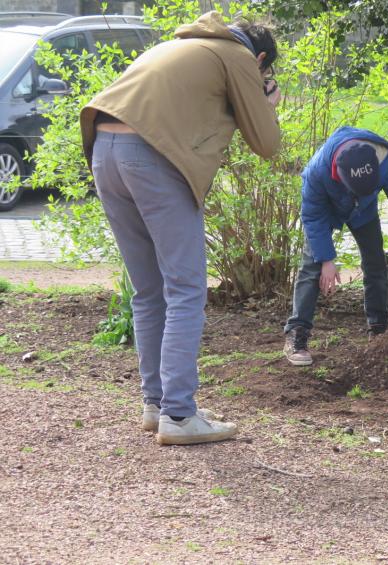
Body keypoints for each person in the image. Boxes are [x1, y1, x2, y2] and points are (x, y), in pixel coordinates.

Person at [80, 13, 282, 445]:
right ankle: (179, 414)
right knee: (187, 288)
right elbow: (266, 144)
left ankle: (157, 405)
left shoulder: (182, 45)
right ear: (260, 57)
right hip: (151, 158)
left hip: (103, 149)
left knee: (149, 290)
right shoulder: (238, 56)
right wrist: (267, 101)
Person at [283, 127, 388, 365]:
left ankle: (378, 328)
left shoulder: (384, 166)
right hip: (326, 211)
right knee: (312, 267)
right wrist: (327, 259)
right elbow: (313, 218)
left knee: (375, 264)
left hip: (364, 212)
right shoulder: (317, 173)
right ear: (338, 176)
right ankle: (297, 334)